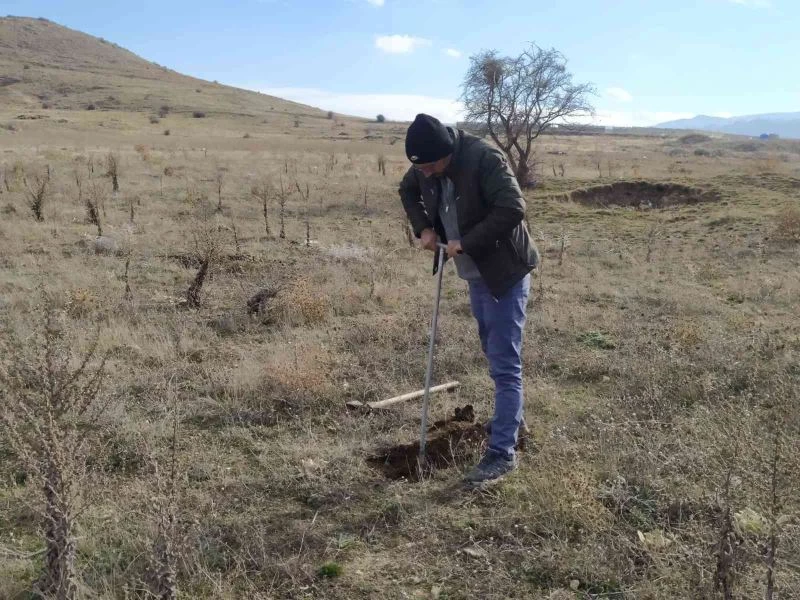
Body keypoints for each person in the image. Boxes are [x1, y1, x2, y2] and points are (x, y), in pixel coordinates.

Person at [399, 113, 539, 485]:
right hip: (476, 275)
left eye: (430, 166)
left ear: (446, 153)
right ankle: (514, 422)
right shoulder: (425, 167)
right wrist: (424, 227)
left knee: (505, 363)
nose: (425, 173)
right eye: (421, 167)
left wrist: (468, 240)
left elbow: (513, 207)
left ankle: (502, 453)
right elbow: (407, 189)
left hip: (504, 272)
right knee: (491, 350)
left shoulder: (484, 159)